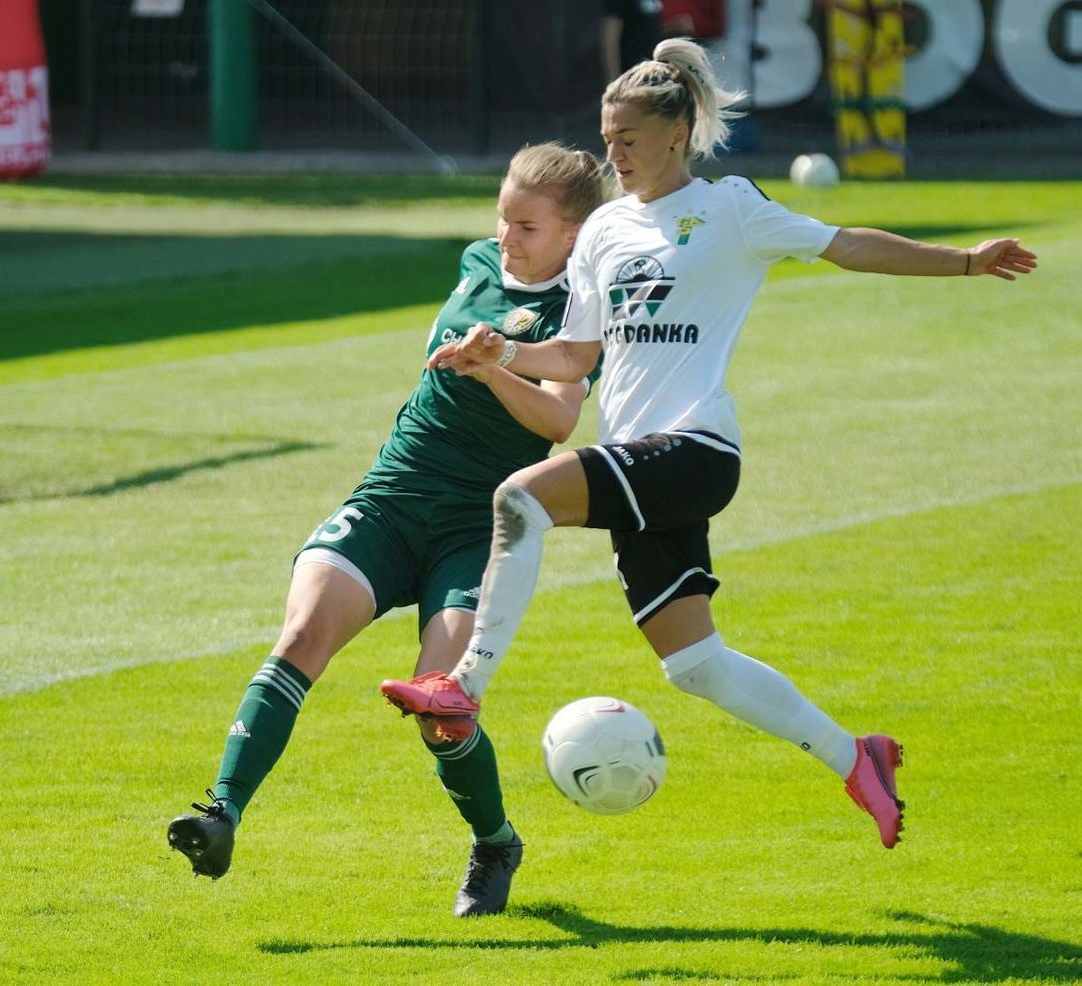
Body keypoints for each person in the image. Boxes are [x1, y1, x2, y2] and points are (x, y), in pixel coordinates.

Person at [381, 38, 1037, 851]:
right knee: (695, 665)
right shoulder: (604, 231)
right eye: (606, 135)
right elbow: (578, 357)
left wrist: (966, 262)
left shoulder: (730, 208)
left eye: (625, 138)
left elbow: (847, 244)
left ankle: (461, 685)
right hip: (636, 462)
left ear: (676, 132)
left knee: (521, 497)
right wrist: (503, 354)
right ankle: (856, 754)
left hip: (693, 447)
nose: (611, 152)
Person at [167, 143, 606, 916]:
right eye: (503, 217)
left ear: (573, 233)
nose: (507, 237)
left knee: (442, 706)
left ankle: (496, 842)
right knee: (302, 634)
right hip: (394, 494)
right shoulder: (478, 261)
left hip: (476, 526)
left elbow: (562, 418)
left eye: (528, 226)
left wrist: (494, 367)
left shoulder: (577, 307)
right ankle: (222, 813)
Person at [602, 0, 664, 84]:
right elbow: (610, 39)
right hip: (632, 74)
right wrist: (614, 80)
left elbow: (649, 29)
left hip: (655, 71)